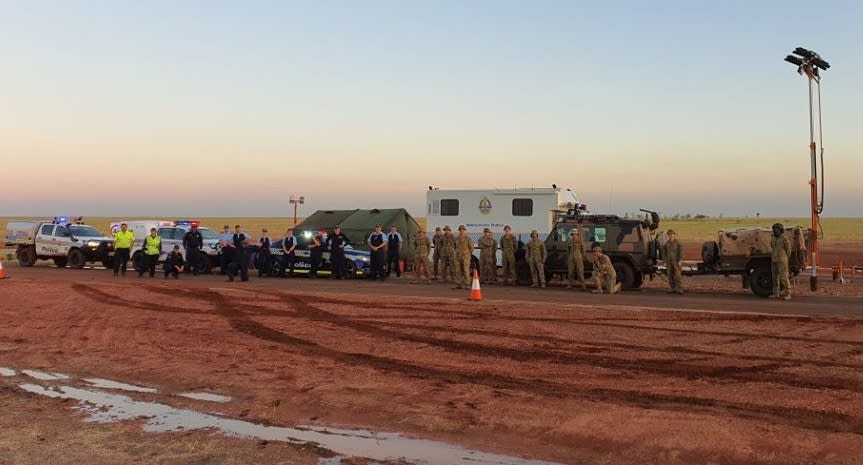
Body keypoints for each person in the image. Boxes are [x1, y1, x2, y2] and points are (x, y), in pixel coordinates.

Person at [771, 223, 792, 300]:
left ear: (781, 230)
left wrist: (785, 258)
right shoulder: (773, 238)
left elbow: (788, 250)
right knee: (774, 277)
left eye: (777, 229)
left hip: (782, 260)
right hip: (774, 259)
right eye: (774, 229)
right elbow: (772, 247)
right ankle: (776, 293)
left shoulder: (784, 238)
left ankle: (788, 293)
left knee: (783, 277)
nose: (775, 231)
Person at [663, 229, 684, 294]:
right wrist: (664, 261)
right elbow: (664, 253)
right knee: (670, 275)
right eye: (669, 234)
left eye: (672, 234)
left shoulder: (678, 243)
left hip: (676, 262)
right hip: (669, 262)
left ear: (674, 235)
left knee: (677, 275)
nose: (670, 235)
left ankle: (679, 288)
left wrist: (680, 260)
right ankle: (672, 288)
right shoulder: (666, 244)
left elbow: (681, 252)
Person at [454, 225, 473, 289]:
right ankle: (458, 284)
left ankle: (467, 284)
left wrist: (468, 255)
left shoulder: (468, 238)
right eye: (460, 230)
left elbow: (471, 247)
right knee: (458, 270)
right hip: (458, 257)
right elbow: (454, 247)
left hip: (465, 257)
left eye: (463, 230)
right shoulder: (456, 238)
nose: (461, 231)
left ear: (465, 231)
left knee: (466, 270)